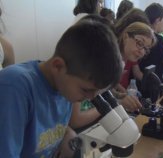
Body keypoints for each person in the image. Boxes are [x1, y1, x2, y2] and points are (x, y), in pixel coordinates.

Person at [0, 16, 123, 157]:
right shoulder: (14, 87)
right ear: (58, 66)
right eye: (86, 90)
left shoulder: (64, 88)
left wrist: (67, 133)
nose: (90, 98)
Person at [70, 15, 155, 129]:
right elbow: (76, 120)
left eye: (146, 48)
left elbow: (102, 92)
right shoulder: (93, 64)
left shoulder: (119, 63)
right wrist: (118, 102)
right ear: (125, 36)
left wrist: (120, 96)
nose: (141, 51)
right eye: (140, 43)